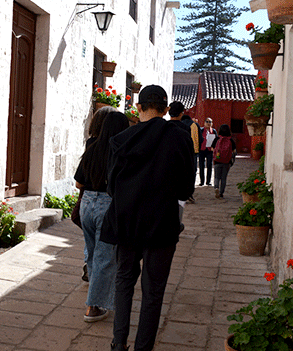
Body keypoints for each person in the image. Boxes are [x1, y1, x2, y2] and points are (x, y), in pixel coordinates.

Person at [101, 85, 195, 351]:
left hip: (126, 223)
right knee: (153, 290)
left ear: (139, 108)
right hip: (161, 224)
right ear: (166, 110)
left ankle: (118, 343)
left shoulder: (121, 140)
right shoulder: (179, 138)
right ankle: (143, 347)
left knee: (124, 281)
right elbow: (186, 188)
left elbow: (111, 186)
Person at [74, 111, 130, 323]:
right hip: (107, 205)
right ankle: (93, 307)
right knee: (105, 258)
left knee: (93, 251)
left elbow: (78, 182)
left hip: (87, 204)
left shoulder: (92, 147)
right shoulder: (122, 151)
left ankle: (96, 290)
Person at [77, 105, 118, 282]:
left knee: (91, 244)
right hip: (106, 200)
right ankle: (94, 302)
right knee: (104, 252)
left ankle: (90, 269)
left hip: (87, 199)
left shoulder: (90, 144)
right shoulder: (114, 146)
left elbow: (80, 180)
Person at [211, 124, 236, 199]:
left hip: (217, 161)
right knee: (223, 178)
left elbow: (212, 148)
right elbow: (234, 151)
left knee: (216, 177)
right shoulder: (231, 140)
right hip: (226, 162)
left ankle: (216, 188)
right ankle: (221, 193)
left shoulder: (217, 139)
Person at [199, 118, 217, 186]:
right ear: (204, 123)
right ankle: (202, 181)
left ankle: (208, 181)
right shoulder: (201, 130)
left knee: (209, 166)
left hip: (210, 150)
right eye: (207, 121)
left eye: (210, 122)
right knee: (201, 166)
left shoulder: (213, 131)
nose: (208, 123)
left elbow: (216, 140)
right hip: (202, 150)